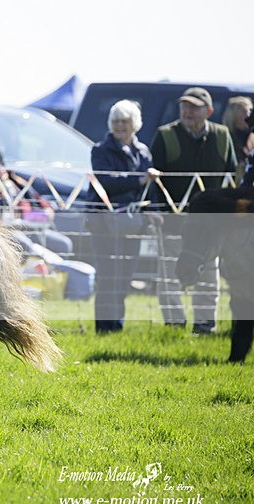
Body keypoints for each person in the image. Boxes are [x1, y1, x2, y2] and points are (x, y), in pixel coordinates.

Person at [149, 87, 237, 334]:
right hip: (173, 221)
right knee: (169, 273)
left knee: (209, 273)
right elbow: (154, 180)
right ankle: (174, 325)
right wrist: (157, 211)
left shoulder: (222, 136)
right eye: (184, 106)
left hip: (211, 224)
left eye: (194, 107)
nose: (187, 111)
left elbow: (231, 176)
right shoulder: (165, 135)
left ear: (208, 111)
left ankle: (204, 325)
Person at [87, 100, 157, 333]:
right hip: (104, 224)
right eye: (116, 121)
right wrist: (139, 179)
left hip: (133, 224)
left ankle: (117, 326)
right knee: (108, 275)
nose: (119, 126)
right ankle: (103, 328)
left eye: (124, 121)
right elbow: (105, 181)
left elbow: (150, 189)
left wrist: (153, 212)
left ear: (134, 123)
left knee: (125, 276)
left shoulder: (143, 152)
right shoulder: (100, 150)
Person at [0, 148, 73, 257]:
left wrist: (40, 215)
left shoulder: (15, 181)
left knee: (64, 244)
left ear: (2, 165)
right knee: (24, 245)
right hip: (2, 229)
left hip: (29, 225)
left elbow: (41, 203)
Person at [221, 96, 254, 183]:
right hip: (230, 179)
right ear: (233, 115)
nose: (248, 115)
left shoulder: (251, 136)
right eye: (244, 112)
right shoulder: (225, 136)